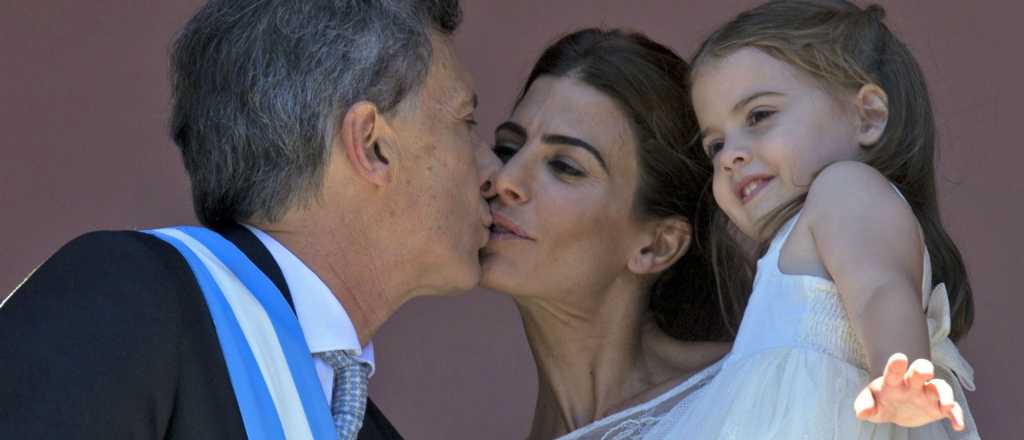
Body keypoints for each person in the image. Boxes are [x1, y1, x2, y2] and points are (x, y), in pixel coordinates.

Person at [0, 0, 496, 439]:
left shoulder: (362, 423)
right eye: (467, 122)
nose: (493, 170)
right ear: (372, 144)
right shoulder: (124, 295)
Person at [646, 1, 979, 438]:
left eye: (759, 116)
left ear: (868, 116)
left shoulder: (845, 188)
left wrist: (902, 368)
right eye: (715, 145)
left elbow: (881, 288)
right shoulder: (801, 235)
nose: (730, 156)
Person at [480, 28, 755, 439]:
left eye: (566, 166)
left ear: (656, 246)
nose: (505, 179)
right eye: (507, 148)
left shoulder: (744, 399)